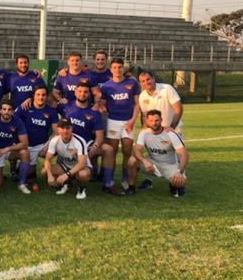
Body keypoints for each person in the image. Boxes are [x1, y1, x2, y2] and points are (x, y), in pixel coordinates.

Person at [59, 83, 120, 195]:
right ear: (75, 92)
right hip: (67, 146)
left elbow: (100, 135)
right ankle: (70, 177)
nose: (82, 94)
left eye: (86, 92)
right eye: (80, 91)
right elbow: (48, 102)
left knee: (109, 149)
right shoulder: (66, 106)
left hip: (86, 146)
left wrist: (96, 146)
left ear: (89, 94)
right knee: (51, 176)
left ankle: (107, 184)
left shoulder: (94, 111)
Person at [136, 70, 185, 190]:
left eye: (148, 79)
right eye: (143, 81)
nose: (146, 82)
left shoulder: (167, 89)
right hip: (153, 130)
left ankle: (178, 180)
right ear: (140, 83)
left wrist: (171, 128)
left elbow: (178, 109)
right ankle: (149, 179)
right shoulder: (142, 96)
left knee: (178, 156)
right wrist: (144, 130)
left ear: (153, 78)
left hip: (172, 128)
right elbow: (144, 116)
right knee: (151, 154)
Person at [100, 58, 141, 193]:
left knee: (127, 151)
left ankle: (125, 179)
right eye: (115, 67)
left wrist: (132, 121)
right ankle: (109, 179)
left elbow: (137, 104)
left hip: (128, 122)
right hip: (113, 121)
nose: (117, 70)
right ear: (111, 69)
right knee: (112, 152)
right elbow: (104, 105)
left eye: (120, 67)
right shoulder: (106, 86)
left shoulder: (132, 83)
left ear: (123, 68)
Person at [127, 110, 189, 197]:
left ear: (161, 120)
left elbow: (184, 155)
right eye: (151, 121)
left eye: (157, 120)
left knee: (179, 183)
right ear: (147, 121)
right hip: (152, 163)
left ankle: (173, 185)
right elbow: (136, 150)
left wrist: (179, 171)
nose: (154, 123)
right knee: (131, 160)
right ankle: (131, 188)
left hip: (169, 164)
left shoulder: (170, 134)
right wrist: (145, 161)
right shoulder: (144, 133)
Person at [14, 86, 59, 192]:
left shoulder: (51, 111)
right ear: (33, 96)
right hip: (25, 145)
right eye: (38, 94)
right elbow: (11, 121)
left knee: (60, 146)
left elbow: (56, 132)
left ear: (47, 96)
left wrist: (49, 145)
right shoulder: (25, 107)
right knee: (29, 175)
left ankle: (61, 175)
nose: (41, 97)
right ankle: (17, 169)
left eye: (43, 95)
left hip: (41, 144)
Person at [0, 100, 30, 193]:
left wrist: (8, 148)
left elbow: (25, 143)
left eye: (9, 110)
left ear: (13, 111)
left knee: (25, 153)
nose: (6, 112)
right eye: (4, 109)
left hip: (7, 150)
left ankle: (21, 184)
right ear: (0, 110)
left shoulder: (17, 121)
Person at [42, 118, 91, 200]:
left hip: (80, 167)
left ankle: (82, 189)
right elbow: (47, 160)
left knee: (83, 175)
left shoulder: (79, 141)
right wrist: (50, 176)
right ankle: (65, 184)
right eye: (62, 128)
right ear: (58, 129)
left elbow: (82, 163)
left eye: (67, 128)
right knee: (44, 171)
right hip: (65, 166)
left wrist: (67, 175)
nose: (65, 131)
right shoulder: (54, 140)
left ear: (72, 128)